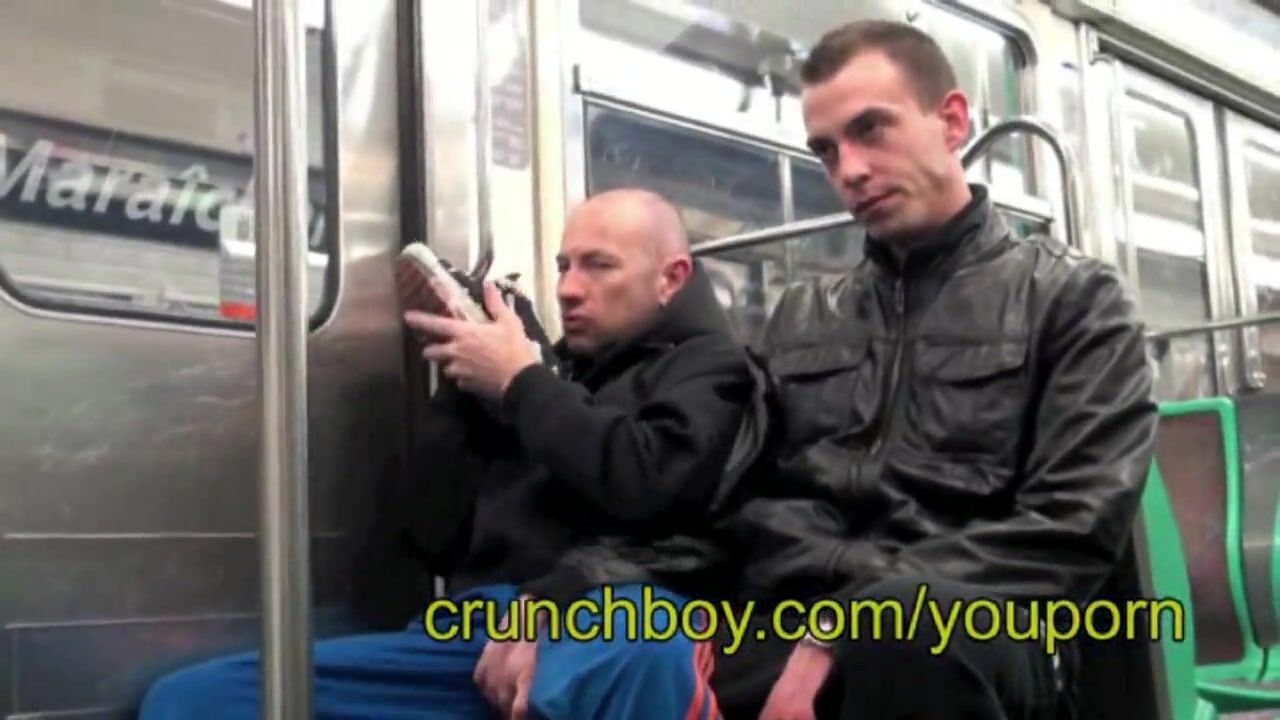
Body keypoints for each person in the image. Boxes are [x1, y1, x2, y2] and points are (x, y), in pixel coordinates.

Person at [137, 188, 760, 719]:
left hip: (604, 610)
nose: (570, 288)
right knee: (193, 702)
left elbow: (647, 483)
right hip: (473, 627)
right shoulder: (550, 377)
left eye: (599, 266)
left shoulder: (712, 370)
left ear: (670, 278)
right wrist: (471, 399)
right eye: (563, 265)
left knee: (609, 665)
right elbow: (431, 534)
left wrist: (522, 385)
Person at [709, 19, 1157, 720]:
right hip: (792, 617)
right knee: (618, 642)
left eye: (871, 130)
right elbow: (732, 503)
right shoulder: (800, 315)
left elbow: (1070, 524)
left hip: (976, 623)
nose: (850, 171)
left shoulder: (1071, 299)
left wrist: (853, 621)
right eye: (827, 151)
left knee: (909, 640)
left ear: (951, 121)